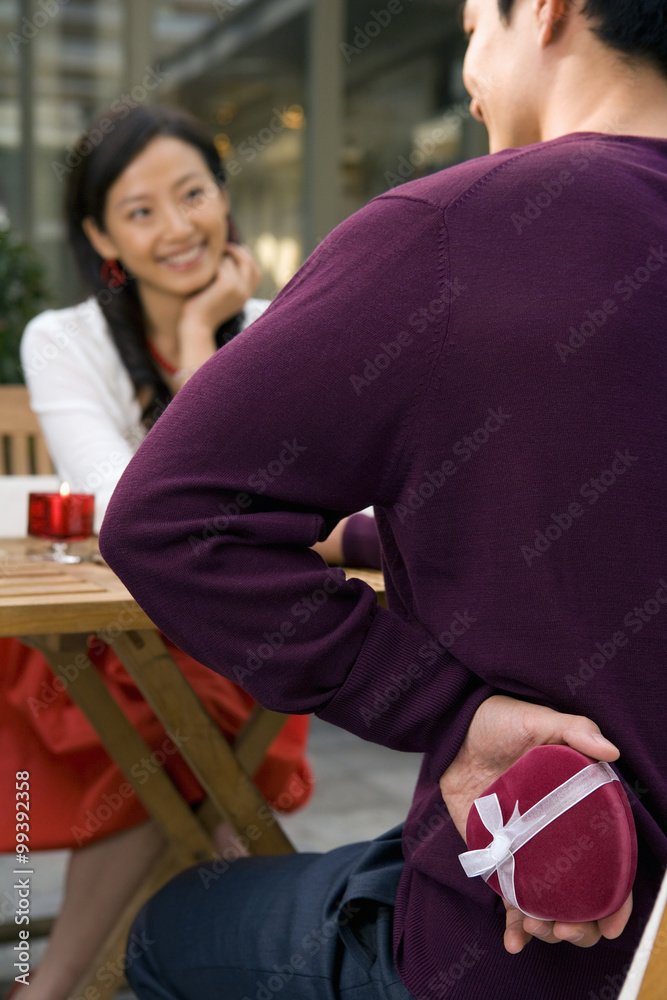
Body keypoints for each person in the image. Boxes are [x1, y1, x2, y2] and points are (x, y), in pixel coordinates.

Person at [99, 1, 667, 998]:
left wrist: (449, 711)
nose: (468, 67)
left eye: (467, 31)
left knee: (170, 928)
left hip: (530, 950)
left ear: (543, 10)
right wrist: (372, 531)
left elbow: (164, 520)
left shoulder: (454, 230)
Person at [0, 103, 373, 1000]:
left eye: (192, 193)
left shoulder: (276, 319)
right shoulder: (63, 338)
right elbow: (143, 511)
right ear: (100, 235)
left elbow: (320, 498)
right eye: (139, 211)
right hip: (96, 642)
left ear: (222, 195)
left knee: (191, 716)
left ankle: (57, 984)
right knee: (182, 731)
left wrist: (210, 333)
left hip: (233, 632)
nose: (177, 228)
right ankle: (73, 980)